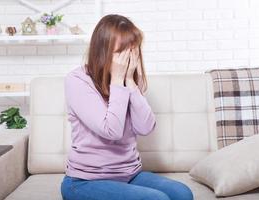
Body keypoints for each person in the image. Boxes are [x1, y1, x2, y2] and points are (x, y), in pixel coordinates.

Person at [61, 14, 193, 200]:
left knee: (182, 194)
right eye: (122, 53)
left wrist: (130, 82)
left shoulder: (128, 80)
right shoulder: (77, 81)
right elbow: (111, 131)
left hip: (130, 175)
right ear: (102, 51)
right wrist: (117, 80)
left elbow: (145, 127)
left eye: (132, 52)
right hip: (85, 181)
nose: (128, 59)